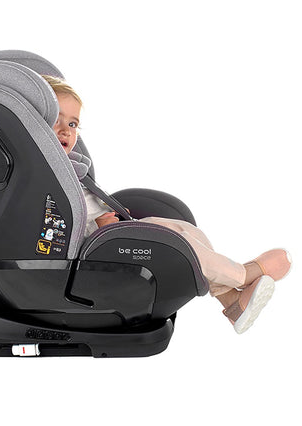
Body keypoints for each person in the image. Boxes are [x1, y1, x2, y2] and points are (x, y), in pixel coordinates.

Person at [42, 75, 292, 334]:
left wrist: (111, 213)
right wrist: (100, 225)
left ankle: (230, 300)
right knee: (177, 243)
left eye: (73, 123)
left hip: (112, 229)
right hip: (96, 247)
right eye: (56, 120)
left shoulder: (68, 168)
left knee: (186, 231)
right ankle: (243, 274)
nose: (66, 130)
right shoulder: (45, 176)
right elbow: (62, 221)